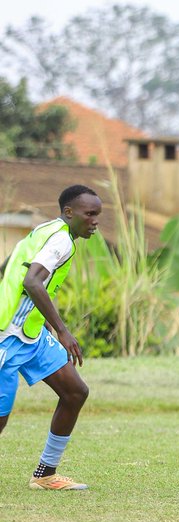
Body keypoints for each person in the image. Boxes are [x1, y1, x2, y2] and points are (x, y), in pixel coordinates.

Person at [0, 185, 102, 490]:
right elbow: (33, 281)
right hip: (8, 337)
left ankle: (45, 474)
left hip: (30, 334)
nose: (95, 220)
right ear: (69, 213)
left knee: (74, 392)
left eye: (98, 214)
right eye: (90, 214)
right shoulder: (61, 241)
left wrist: (40, 322)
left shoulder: (47, 230)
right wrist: (62, 329)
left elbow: (13, 268)